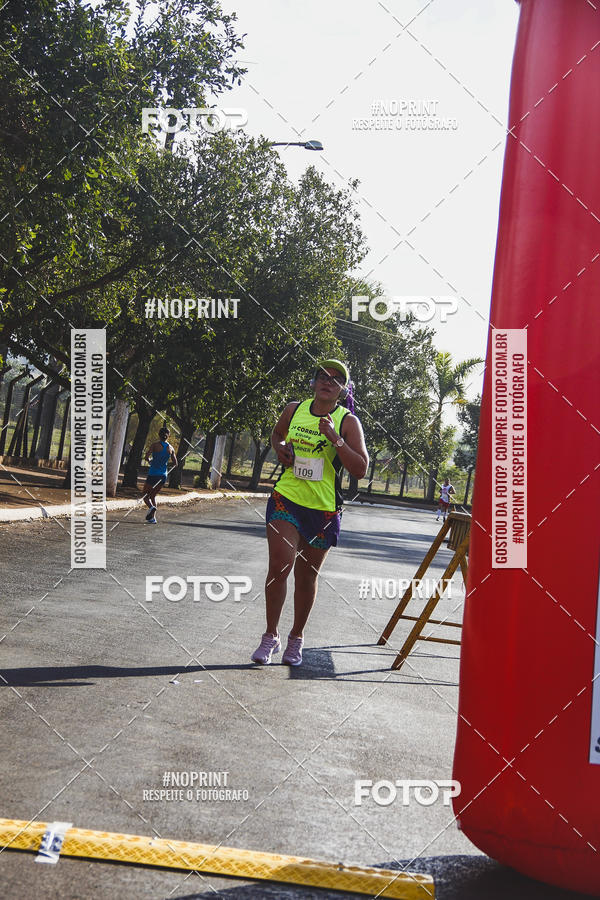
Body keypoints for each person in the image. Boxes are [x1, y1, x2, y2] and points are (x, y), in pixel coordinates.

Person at [251, 360, 368, 667]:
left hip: (323, 510)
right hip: (286, 498)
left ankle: (296, 638)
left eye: (336, 379)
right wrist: (281, 448)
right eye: (322, 376)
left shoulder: (347, 422)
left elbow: (360, 469)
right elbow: (278, 434)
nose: (328, 381)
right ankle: (270, 635)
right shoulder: (294, 409)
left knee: (306, 577)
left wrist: (335, 439)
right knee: (280, 565)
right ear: (314, 383)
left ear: (343, 390)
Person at [142, 426, 177, 524]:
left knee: (145, 496)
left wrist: (151, 461)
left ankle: (151, 507)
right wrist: (164, 464)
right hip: (163, 476)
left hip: (153, 474)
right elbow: (175, 463)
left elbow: (146, 457)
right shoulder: (171, 448)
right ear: (168, 436)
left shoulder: (154, 445)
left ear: (159, 434)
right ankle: (152, 518)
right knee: (153, 496)